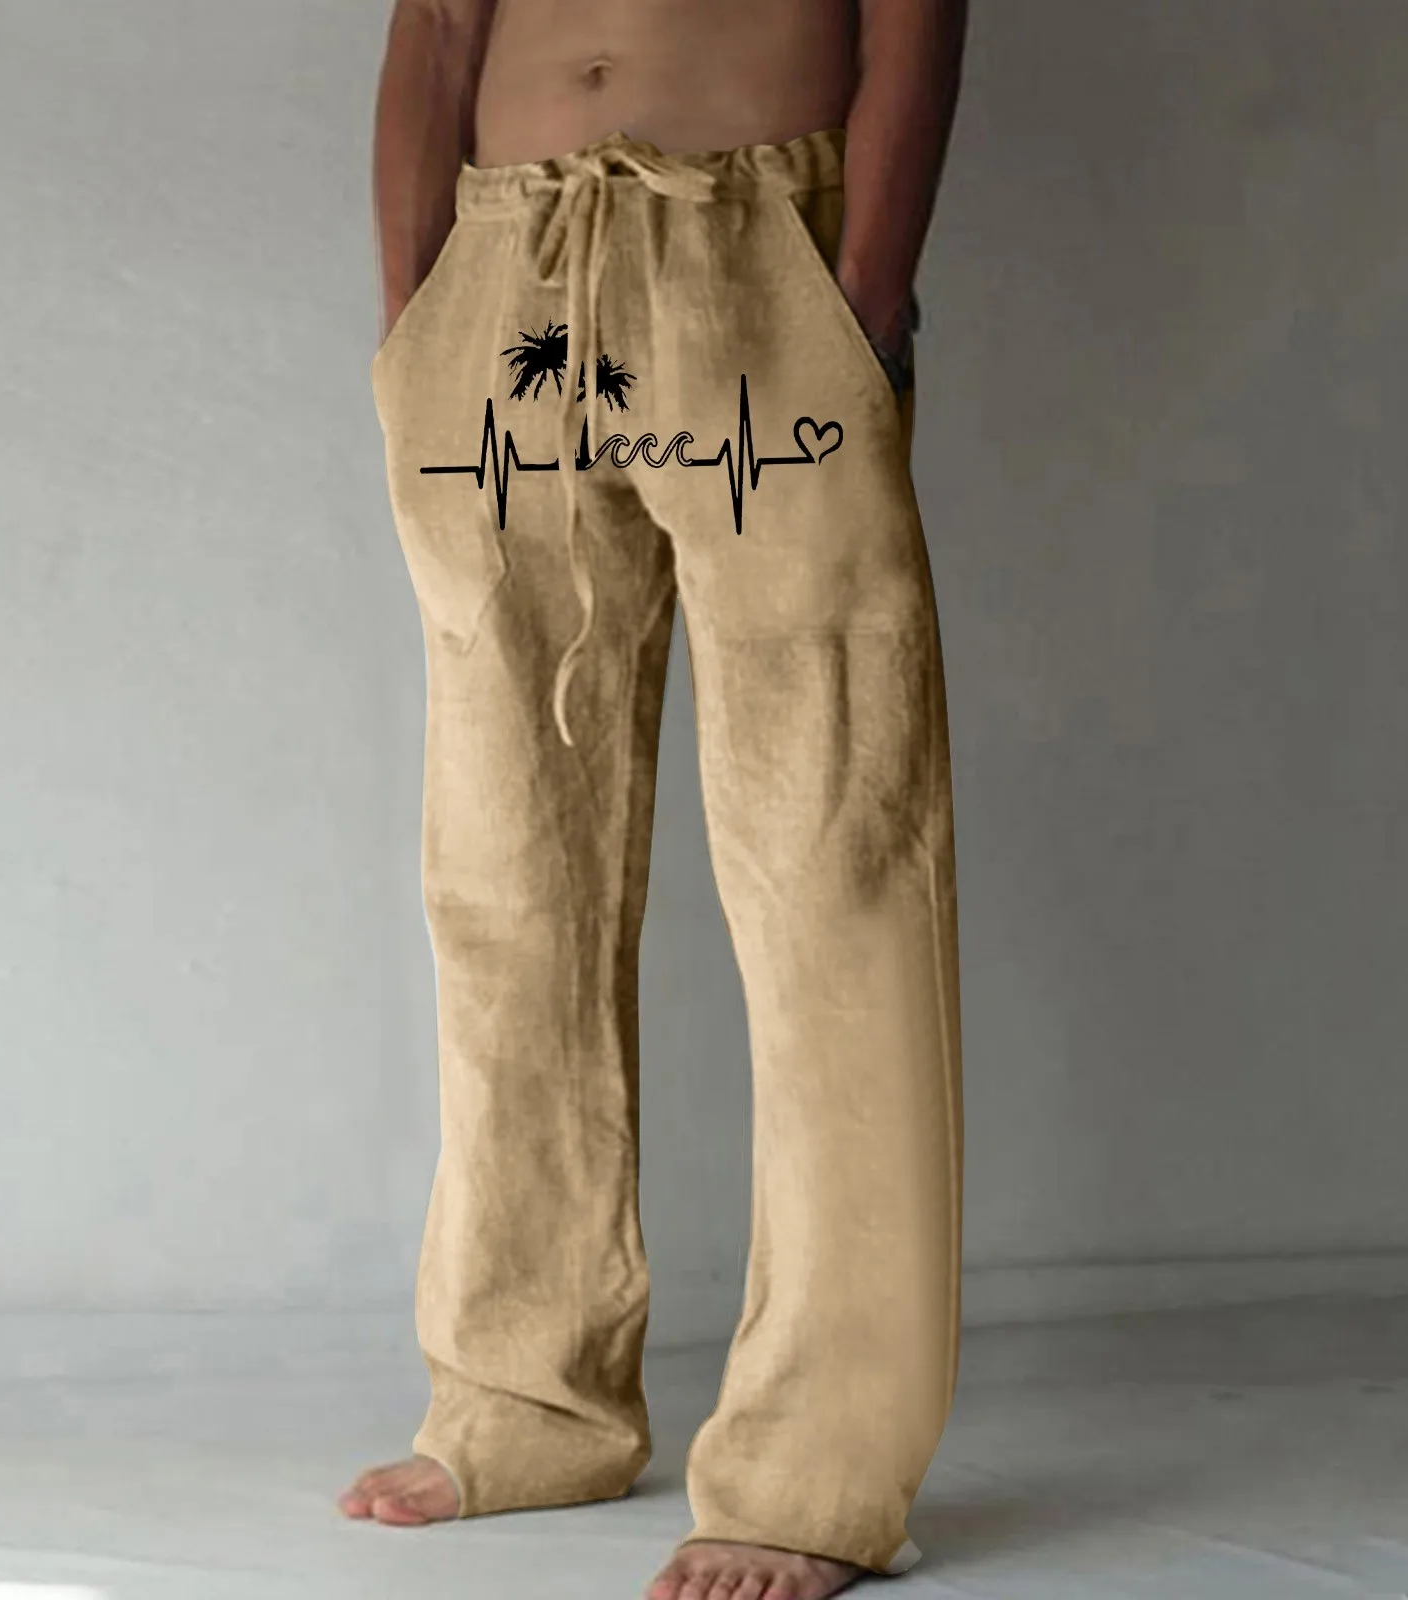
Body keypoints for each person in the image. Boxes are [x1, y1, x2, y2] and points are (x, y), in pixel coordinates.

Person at [340, 1, 968, 1595]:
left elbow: (917, 16)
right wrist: (417, 317)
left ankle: (817, 1466)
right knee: (505, 874)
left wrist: (861, 293)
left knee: (834, 862)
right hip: (508, 271)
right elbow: (439, 25)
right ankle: (523, 1399)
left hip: (758, 256)